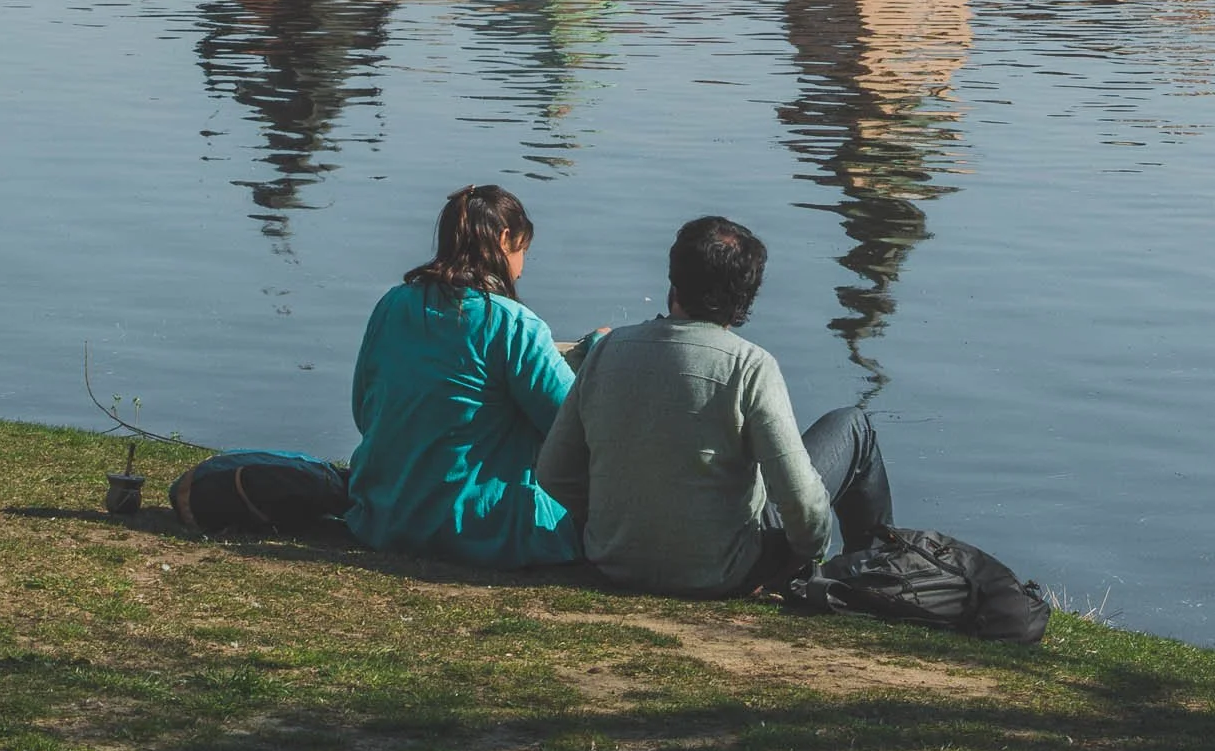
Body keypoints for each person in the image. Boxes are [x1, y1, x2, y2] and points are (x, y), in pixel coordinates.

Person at [536, 214, 892, 597]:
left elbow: (554, 473)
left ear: (674, 281)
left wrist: (610, 525)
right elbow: (802, 504)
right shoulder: (749, 365)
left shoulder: (607, 350)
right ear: (746, 297)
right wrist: (806, 557)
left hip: (614, 562)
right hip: (721, 572)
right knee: (854, 426)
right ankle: (877, 578)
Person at [346, 184, 579, 569]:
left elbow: (363, 411)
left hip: (384, 518)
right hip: (482, 530)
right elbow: (572, 432)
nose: (521, 267)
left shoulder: (392, 305)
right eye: (523, 251)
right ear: (505, 240)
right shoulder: (513, 324)